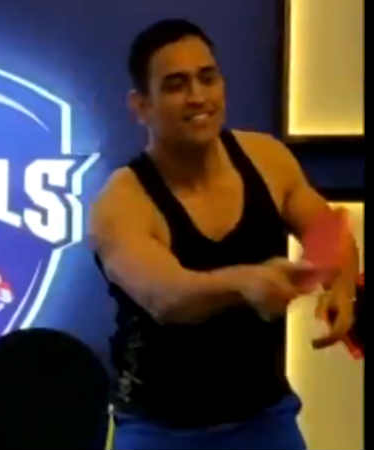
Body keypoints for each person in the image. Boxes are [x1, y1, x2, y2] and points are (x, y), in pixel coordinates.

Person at [90, 19, 359, 450]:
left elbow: (327, 229)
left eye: (207, 78)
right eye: (176, 85)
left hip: (265, 418)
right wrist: (245, 282)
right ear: (141, 106)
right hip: (159, 430)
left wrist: (341, 289)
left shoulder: (267, 158)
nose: (198, 96)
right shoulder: (122, 203)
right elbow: (167, 298)